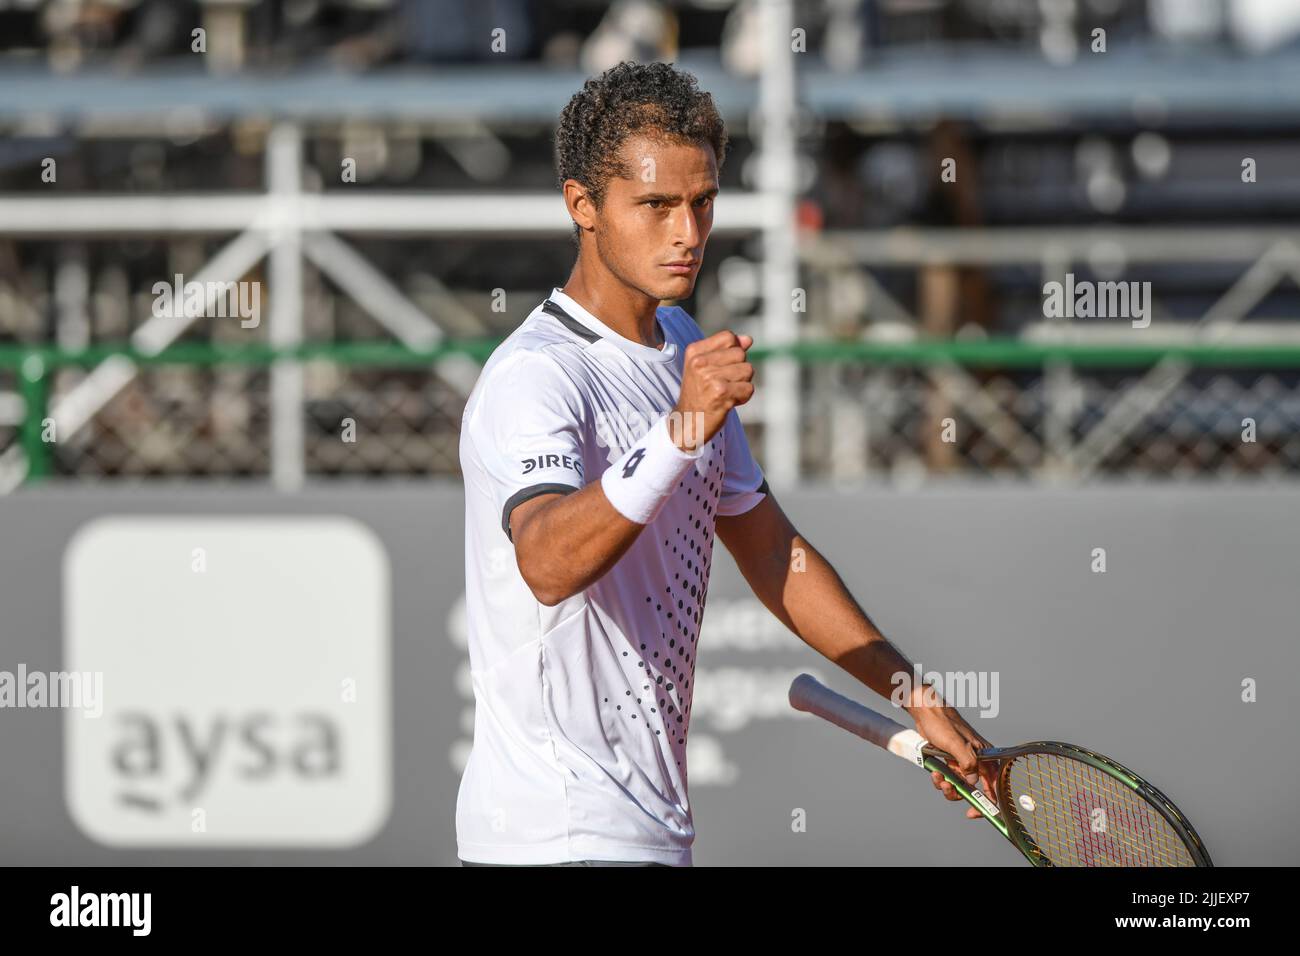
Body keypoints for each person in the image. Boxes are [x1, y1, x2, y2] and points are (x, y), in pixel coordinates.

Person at [456, 61, 992, 867]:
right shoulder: (536, 375)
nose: (687, 232)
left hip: (645, 835)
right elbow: (547, 562)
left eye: (702, 202)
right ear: (583, 206)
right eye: (655, 205)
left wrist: (909, 693)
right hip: (554, 837)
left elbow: (774, 550)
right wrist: (681, 431)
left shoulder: (680, 347)